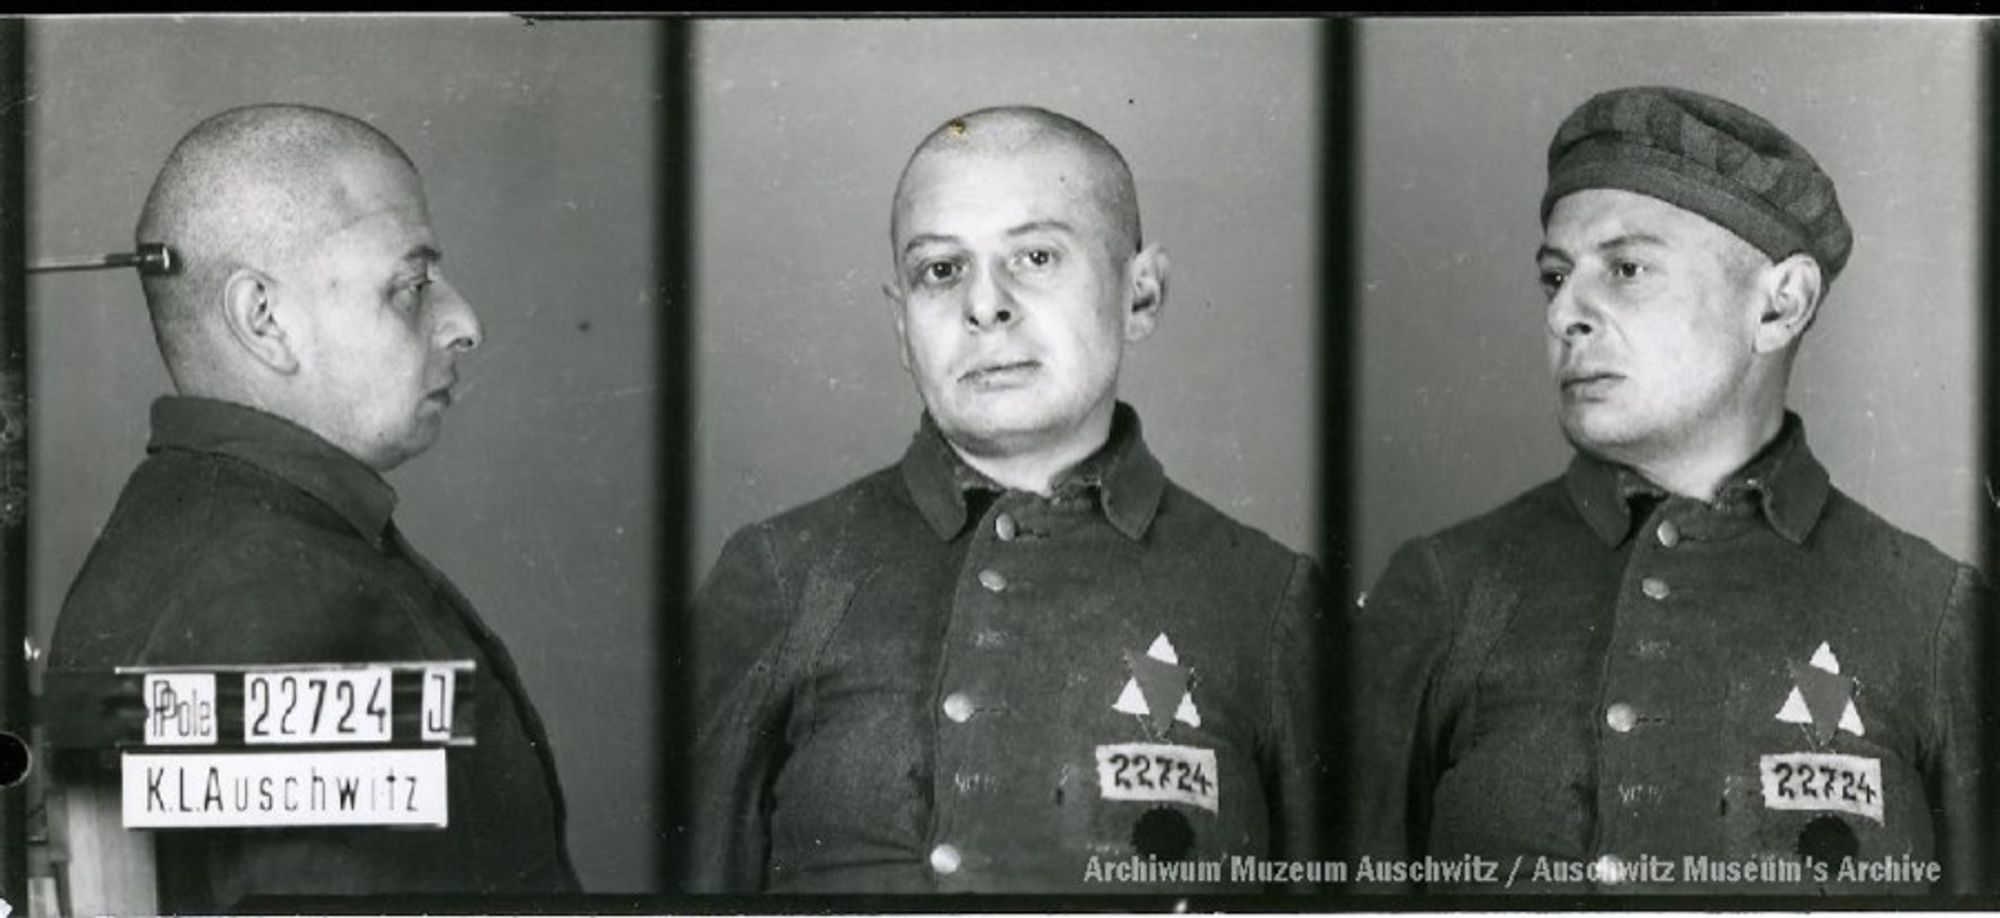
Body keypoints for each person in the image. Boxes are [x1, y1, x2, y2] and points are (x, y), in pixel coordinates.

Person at [1349, 85, 1989, 895]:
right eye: (1555, 278)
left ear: (1779, 305)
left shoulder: (1937, 618)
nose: (1563, 316)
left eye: (1626, 268)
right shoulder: (1443, 590)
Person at [687, 105, 1326, 893]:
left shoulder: (1269, 599)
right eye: (941, 270)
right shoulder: (783, 576)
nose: (984, 306)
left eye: (1034, 255)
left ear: (1141, 294)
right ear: (901, 324)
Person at [47, 104, 579, 909]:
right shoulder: (287, 598)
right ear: (264, 319)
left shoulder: (196, 534)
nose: (464, 323)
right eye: (411, 286)